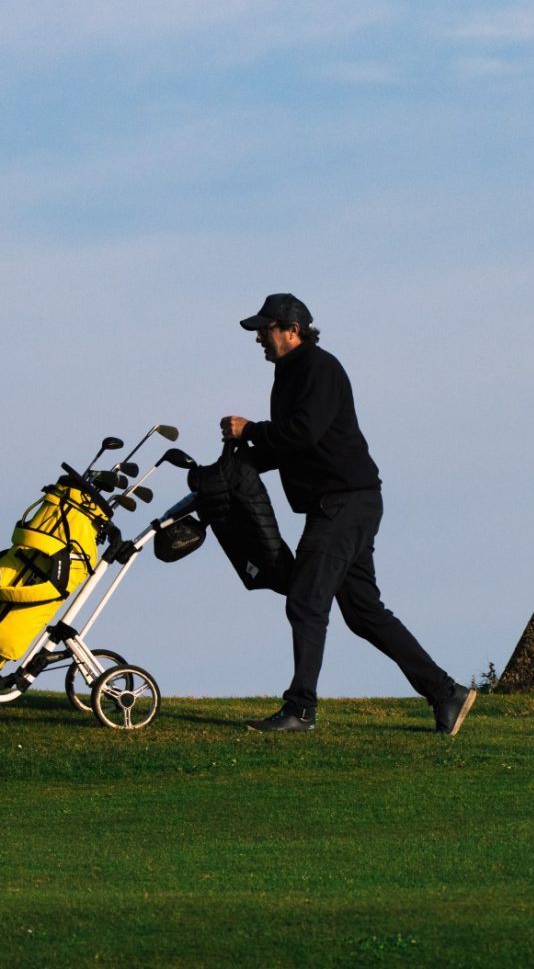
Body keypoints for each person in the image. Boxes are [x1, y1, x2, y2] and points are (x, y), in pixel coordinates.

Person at [221, 293, 476, 735]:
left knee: (306, 600)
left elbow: (302, 433)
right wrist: (237, 464)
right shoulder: (289, 374)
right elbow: (292, 444)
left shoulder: (319, 368)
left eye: (266, 329)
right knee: (362, 612)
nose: (259, 337)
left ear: (292, 330)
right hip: (344, 502)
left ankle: (300, 710)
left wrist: (252, 431)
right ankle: (446, 693)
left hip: (344, 502)